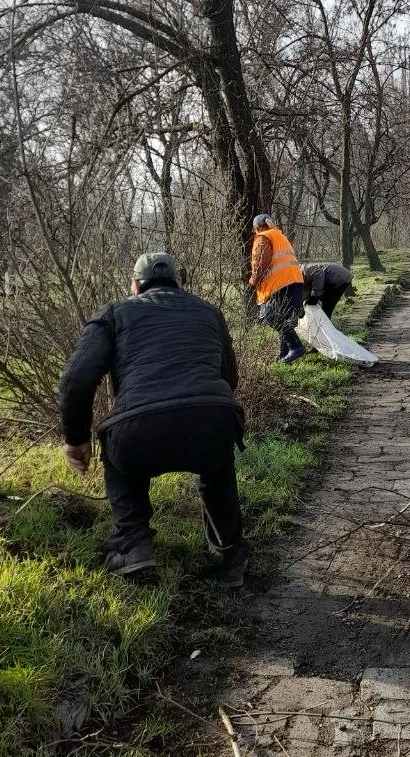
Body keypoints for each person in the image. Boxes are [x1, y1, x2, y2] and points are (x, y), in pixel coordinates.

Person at [58, 253, 246, 586]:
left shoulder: (115, 313)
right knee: (217, 461)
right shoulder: (209, 312)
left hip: (138, 433)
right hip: (212, 424)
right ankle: (230, 557)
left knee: (118, 459)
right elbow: (228, 378)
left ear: (135, 285)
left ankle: (133, 548)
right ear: (179, 283)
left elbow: (76, 378)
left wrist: (76, 439)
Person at [249, 214, 306, 363]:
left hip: (279, 283)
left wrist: (252, 282)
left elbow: (260, 264)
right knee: (282, 317)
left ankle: (296, 346)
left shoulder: (263, 237)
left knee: (269, 315)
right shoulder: (280, 236)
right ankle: (283, 354)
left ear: (257, 227)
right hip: (294, 281)